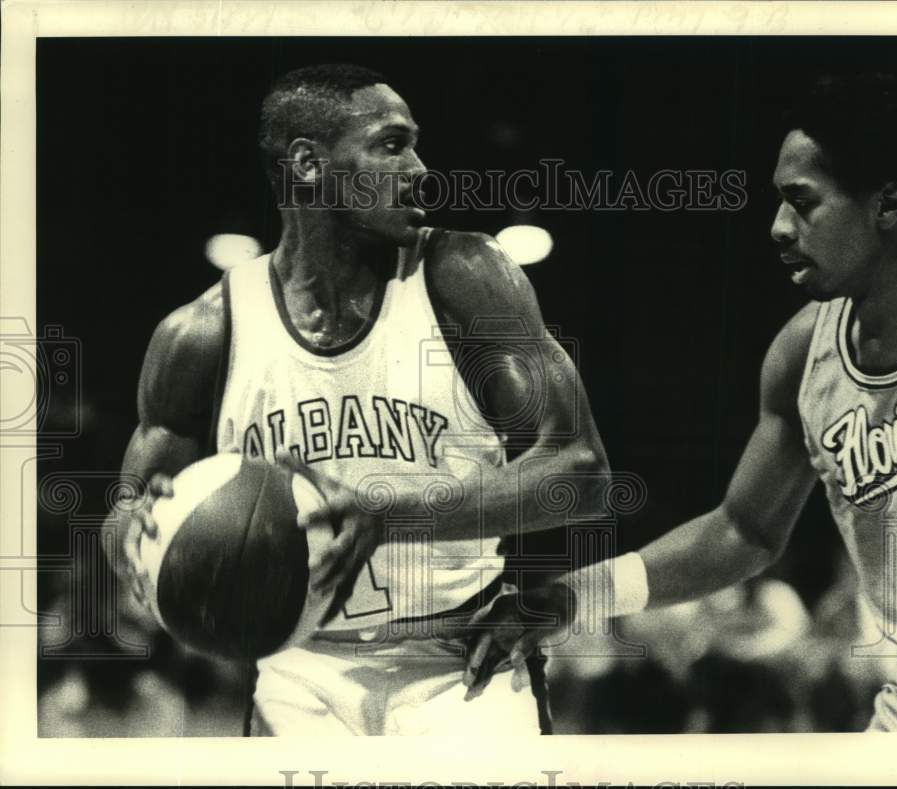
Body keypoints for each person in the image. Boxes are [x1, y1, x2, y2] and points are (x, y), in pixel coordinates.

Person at [102, 63, 611, 736]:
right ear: (309, 164)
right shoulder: (202, 333)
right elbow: (127, 517)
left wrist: (387, 515)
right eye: (392, 144)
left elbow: (580, 472)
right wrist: (156, 552)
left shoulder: (465, 278)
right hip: (297, 668)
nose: (421, 168)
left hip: (461, 663)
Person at [464, 73, 897, 733]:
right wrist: (571, 595)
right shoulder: (800, 354)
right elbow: (744, 531)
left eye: (802, 201)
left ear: (888, 206)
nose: (779, 226)